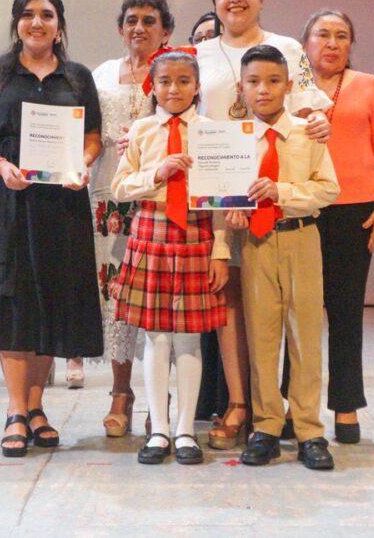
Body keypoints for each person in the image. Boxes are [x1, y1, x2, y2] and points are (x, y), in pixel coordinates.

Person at [0, 0, 104, 457]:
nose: (36, 23)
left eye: (46, 14)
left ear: (60, 22)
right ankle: (15, 410)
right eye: (27, 14)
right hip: (6, 201)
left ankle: (38, 407)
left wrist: (83, 164)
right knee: (12, 299)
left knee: (50, 300)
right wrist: (0, 167)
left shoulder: (78, 77)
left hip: (60, 205)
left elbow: (93, 137)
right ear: (15, 22)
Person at [194, 0, 332, 450]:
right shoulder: (198, 54)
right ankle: (252, 412)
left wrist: (318, 127)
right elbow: (184, 118)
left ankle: (306, 423)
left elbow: (314, 106)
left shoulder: (288, 50)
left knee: (302, 329)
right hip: (224, 199)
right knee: (249, 318)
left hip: (291, 215)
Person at [111, 49, 230, 465]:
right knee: (157, 337)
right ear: (154, 86)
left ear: (197, 86)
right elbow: (120, 187)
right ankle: (157, 427)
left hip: (196, 233)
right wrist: (156, 173)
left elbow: (220, 199)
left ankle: (185, 430)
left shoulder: (213, 132)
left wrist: (220, 250)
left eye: (183, 81)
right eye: (165, 81)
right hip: (152, 231)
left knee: (189, 339)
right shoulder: (143, 130)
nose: (174, 89)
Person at [287, 9, 374, 444]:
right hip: (303, 207)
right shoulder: (289, 86)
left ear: (351, 45)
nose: (332, 43)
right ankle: (296, 404)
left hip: (356, 209)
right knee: (300, 313)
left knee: (346, 311)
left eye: (342, 36)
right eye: (322, 35)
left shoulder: (368, 85)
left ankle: (346, 405)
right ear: (305, 42)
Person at [227, 45, 340, 470]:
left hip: (301, 238)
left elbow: (329, 189)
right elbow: (222, 191)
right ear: (241, 87)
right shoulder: (233, 140)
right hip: (256, 244)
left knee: (305, 336)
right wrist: (231, 207)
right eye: (253, 82)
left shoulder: (307, 133)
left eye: (274, 81)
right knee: (261, 337)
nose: (263, 90)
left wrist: (284, 193)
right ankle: (267, 427)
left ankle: (309, 430)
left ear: (289, 86)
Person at [90, 0, 175, 437]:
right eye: (131, 20)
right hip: (106, 195)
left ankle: (160, 395)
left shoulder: (174, 74)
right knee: (116, 298)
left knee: (156, 299)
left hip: (157, 199)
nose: (139, 28)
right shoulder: (102, 73)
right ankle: (121, 393)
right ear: (121, 27)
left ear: (166, 30)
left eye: (149, 20)